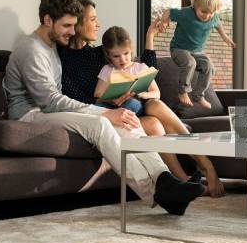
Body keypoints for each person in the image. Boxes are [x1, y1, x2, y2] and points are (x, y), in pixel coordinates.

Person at [3, 0, 204, 215]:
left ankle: (164, 178)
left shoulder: (51, 45)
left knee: (128, 120)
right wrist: (103, 112)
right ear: (48, 20)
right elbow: (49, 101)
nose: (72, 30)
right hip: (31, 114)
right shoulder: (31, 49)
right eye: (67, 25)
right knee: (101, 124)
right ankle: (156, 191)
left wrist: (112, 110)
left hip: (50, 110)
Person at [93, 25, 225, 197]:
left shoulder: (140, 67)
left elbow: (156, 92)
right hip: (123, 111)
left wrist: (141, 92)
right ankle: (184, 180)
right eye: (116, 56)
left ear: (131, 49)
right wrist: (113, 97)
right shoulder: (108, 70)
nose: (122, 60)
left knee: (156, 104)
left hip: (141, 105)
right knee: (157, 126)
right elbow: (98, 95)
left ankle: (205, 165)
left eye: (126, 54)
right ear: (108, 55)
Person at [160, 0, 236, 108]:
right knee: (190, 63)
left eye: (211, 13)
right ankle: (183, 91)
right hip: (179, 49)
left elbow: (218, 24)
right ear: (195, 4)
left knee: (209, 67)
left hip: (197, 51)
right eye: (203, 11)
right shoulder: (186, 13)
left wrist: (225, 37)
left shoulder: (213, 17)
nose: (207, 16)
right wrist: (164, 22)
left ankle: (198, 96)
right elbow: (168, 12)